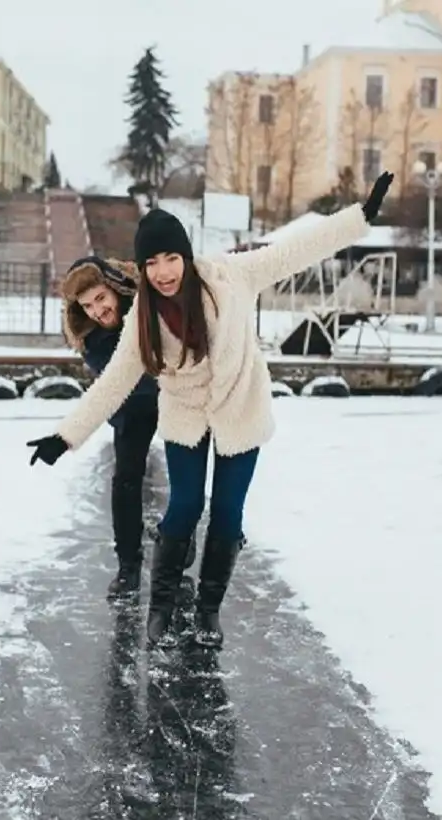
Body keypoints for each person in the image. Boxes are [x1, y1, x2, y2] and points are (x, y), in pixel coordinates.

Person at [28, 172, 394, 649]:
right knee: (184, 506)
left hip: (241, 407)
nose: (162, 272)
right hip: (185, 414)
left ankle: (207, 611)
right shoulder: (143, 314)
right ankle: (160, 608)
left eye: (171, 258)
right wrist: (65, 436)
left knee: (227, 513)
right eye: (152, 263)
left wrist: (358, 218)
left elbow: (295, 250)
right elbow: (113, 381)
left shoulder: (231, 276)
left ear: (186, 256)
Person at [58, 256, 194, 600]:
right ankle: (128, 566)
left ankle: (176, 548)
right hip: (132, 405)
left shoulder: (150, 310)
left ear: (117, 289)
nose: (96, 311)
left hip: (174, 397)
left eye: (101, 299)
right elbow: (130, 381)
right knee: (126, 480)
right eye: (87, 305)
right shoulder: (91, 337)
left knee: (187, 474)